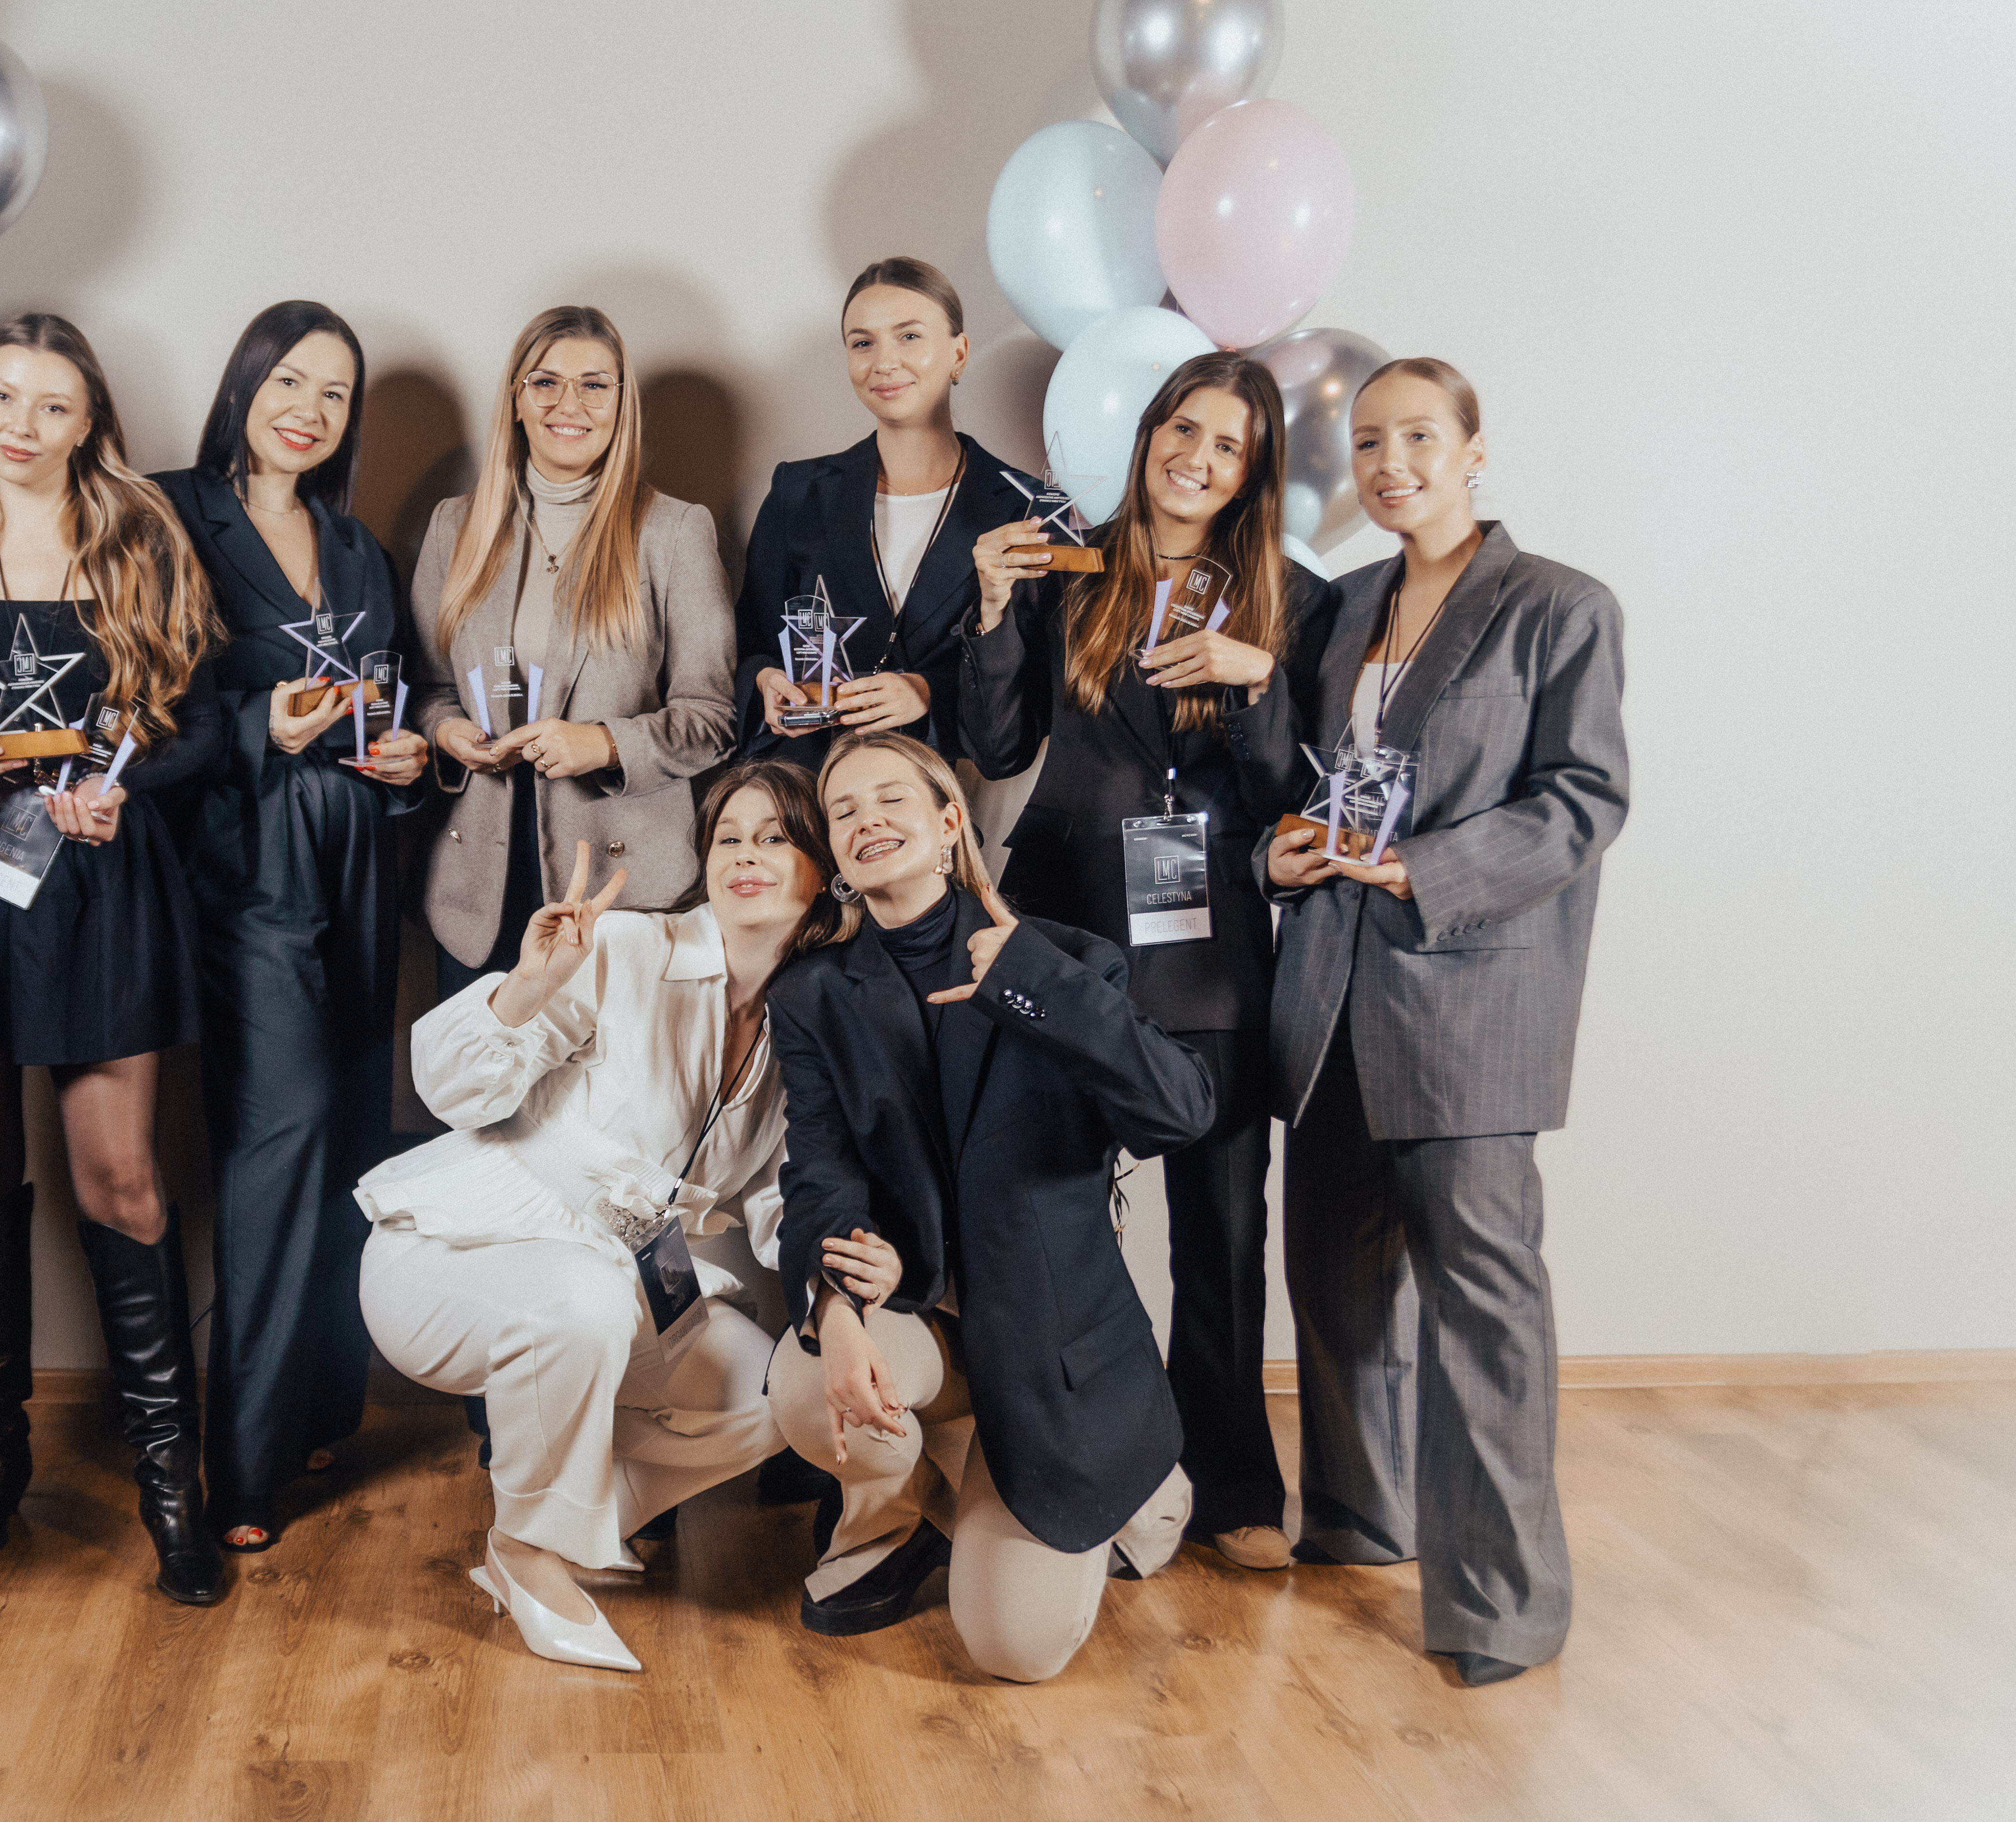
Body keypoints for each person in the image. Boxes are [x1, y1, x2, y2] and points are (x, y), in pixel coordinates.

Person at [1262, 357, 1628, 1687]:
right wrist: (1277, 855)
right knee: (1335, 1280)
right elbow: (1301, 780)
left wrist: (1419, 868)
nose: (1389, 463)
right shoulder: (1342, 607)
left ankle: (1500, 1605)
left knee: (1480, 1305)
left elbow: (1582, 801)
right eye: (1368, 442)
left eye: (1418, 436)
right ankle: (1360, 1520)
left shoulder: (1558, 607)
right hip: (1329, 990)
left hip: (1467, 997)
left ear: (1473, 448)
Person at [356, 763, 865, 1673]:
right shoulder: (627, 947)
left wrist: (843, 1291)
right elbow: (452, 1088)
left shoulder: (807, 1024)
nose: (744, 856)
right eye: (728, 838)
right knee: (584, 1299)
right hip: (452, 1253)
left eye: (774, 838)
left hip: (635, 1265)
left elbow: (783, 1196)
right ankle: (528, 1552)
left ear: (823, 872)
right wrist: (528, 983)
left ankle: (568, 1529)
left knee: (772, 1396)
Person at [961, 350, 1326, 1571]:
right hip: (1063, 925)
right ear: (1149, 431)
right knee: (1044, 1208)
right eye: (1183, 429)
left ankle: (1229, 1484)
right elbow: (998, 742)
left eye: (1227, 446)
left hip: (1209, 944)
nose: (1196, 458)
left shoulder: (1292, 598)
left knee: (1220, 1229)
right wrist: (990, 607)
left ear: (1251, 473)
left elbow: (1287, 802)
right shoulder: (1068, 562)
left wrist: (1255, 680)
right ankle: (1064, 1469)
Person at [764, 732, 1214, 1682]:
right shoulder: (812, 993)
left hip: (1050, 1351)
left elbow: (1178, 1111)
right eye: (843, 811)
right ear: (833, 853)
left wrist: (1037, 982)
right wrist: (835, 1308)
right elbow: (819, 1172)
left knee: (1016, 1651)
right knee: (805, 1385)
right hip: (926, 1319)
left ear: (947, 823)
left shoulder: (1067, 959)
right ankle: (952, 1485)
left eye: (890, 799)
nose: (866, 820)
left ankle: (1136, 1484)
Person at [0, 313, 229, 1608]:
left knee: (121, 1177)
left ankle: (171, 1484)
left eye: (51, 404)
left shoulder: (142, 534)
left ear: (90, 419)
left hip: (99, 877)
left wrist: (125, 786)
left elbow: (205, 724)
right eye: (1, 397)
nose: (22, 425)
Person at [150, 302, 428, 1553]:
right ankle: (242, 1462)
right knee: (283, 1132)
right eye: (289, 381)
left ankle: (322, 1406)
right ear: (244, 384)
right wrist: (262, 723)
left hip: (358, 849)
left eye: (333, 393)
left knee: (357, 1125)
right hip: (243, 856)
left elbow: (386, 702)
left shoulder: (357, 548)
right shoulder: (170, 514)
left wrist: (404, 759)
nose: (308, 409)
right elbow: (140, 695)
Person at [406, 304, 736, 1001]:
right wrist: (447, 730)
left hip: (621, 888)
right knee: (481, 1072)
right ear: (516, 399)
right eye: (546, 382)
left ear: (621, 403)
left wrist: (604, 744)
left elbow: (711, 720)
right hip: (480, 889)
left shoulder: (674, 532)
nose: (569, 404)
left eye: (594, 385)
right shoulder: (453, 527)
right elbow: (431, 689)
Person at [737, 257, 1025, 769]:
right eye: (862, 343)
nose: (884, 362)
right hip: (806, 786)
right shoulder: (796, 493)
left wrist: (927, 692)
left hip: (942, 796)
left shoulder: (1023, 509)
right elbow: (748, 643)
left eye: (909, 337)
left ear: (958, 354)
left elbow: (1034, 698)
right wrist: (765, 680)